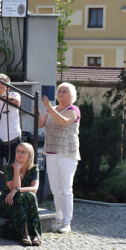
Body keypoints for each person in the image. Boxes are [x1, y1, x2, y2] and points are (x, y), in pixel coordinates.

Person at [37, 82, 81, 234]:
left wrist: (48, 107)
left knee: (66, 189)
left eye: (65, 91)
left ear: (71, 96)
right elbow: (40, 125)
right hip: (51, 152)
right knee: (56, 189)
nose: (61, 93)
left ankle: (67, 222)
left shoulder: (73, 110)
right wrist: (37, 112)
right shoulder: (52, 109)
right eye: (59, 91)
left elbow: (63, 121)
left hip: (67, 153)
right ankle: (59, 218)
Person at [0, 143, 41, 246]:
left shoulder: (34, 169)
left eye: (23, 152)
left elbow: (34, 189)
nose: (19, 154)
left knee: (30, 196)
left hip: (23, 202)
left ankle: (34, 234)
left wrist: (17, 190)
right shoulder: (8, 168)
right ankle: (25, 233)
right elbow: (12, 187)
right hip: (8, 202)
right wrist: (16, 170)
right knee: (21, 197)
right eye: (18, 151)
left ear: (30, 155)